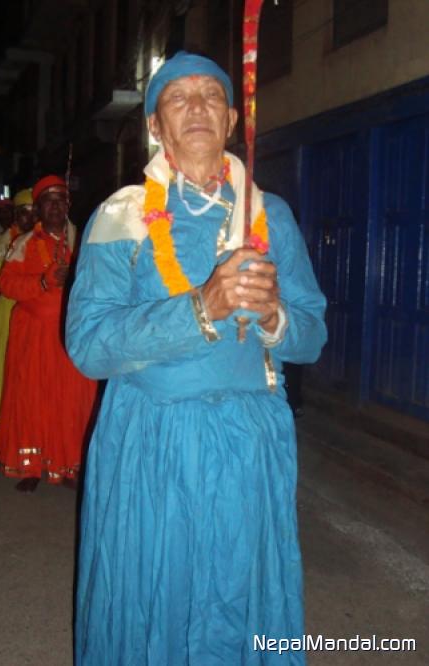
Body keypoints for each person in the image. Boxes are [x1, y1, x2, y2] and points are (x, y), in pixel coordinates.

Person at [67, 52, 327, 665]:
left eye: (210, 95)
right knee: (153, 596)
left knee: (237, 594)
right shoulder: (122, 215)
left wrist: (274, 317)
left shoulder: (271, 215)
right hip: (151, 440)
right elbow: (88, 345)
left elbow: (312, 335)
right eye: (177, 98)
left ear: (232, 119)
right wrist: (200, 310)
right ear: (155, 125)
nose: (196, 108)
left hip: (249, 443)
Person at [0, 175, 97, 492]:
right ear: (38, 208)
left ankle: (69, 464)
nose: (55, 207)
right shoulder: (24, 244)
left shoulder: (85, 241)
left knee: (72, 400)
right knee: (32, 399)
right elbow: (6, 284)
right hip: (33, 337)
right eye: (48, 202)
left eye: (60, 200)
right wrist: (43, 281)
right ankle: (32, 467)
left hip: (72, 335)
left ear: (68, 204)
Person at [0, 189, 34, 426]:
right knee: (6, 364)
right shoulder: (4, 241)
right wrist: (17, 285)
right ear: (16, 215)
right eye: (24, 212)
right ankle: (5, 420)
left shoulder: (44, 239)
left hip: (37, 312)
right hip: (10, 310)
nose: (30, 218)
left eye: (34, 212)